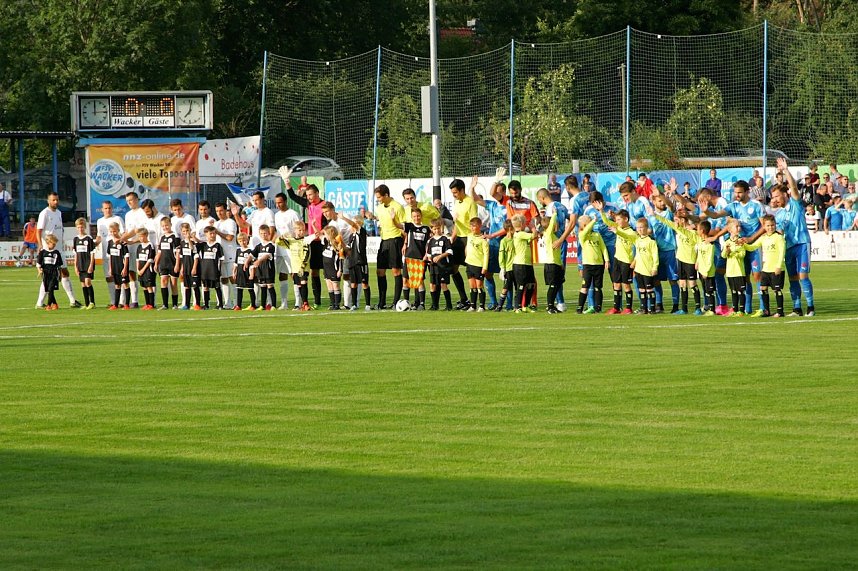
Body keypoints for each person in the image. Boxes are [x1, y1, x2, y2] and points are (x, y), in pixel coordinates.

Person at [702, 180, 766, 315]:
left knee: (757, 275)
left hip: (753, 245)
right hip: (740, 246)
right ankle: (747, 308)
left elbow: (764, 226)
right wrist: (706, 211)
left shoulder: (756, 205)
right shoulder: (733, 206)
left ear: (747, 191)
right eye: (735, 192)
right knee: (744, 277)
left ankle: (763, 307)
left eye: (739, 192)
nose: (736, 195)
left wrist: (751, 238)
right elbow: (717, 215)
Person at [771, 158, 815, 316]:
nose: (775, 199)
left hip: (802, 243)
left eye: (777, 196)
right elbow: (779, 231)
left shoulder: (795, 203)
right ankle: (797, 308)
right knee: (793, 278)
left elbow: (794, 187)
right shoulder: (779, 214)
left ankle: (810, 307)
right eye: (773, 197)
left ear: (785, 194)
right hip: (789, 247)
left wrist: (785, 170)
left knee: (803, 276)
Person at [281, 167, 327, 308]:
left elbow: (330, 223)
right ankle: (316, 301)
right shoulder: (309, 204)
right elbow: (293, 197)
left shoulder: (325, 205)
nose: (309, 197)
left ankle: (335, 299)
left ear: (317, 193)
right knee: (313, 272)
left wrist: (322, 231)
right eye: (307, 195)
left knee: (328, 273)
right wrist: (287, 181)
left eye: (311, 195)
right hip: (312, 241)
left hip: (323, 241)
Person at [470, 170, 509, 309]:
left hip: (505, 243)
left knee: (507, 275)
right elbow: (475, 199)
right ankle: (493, 301)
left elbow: (508, 228)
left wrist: (492, 235)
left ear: (503, 193)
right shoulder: (492, 205)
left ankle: (508, 303)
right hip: (493, 244)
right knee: (487, 274)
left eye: (498, 192)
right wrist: (472, 187)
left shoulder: (509, 205)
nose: (495, 194)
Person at [36, 191, 81, 308]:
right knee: (49, 276)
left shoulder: (59, 213)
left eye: (57, 200)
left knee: (64, 273)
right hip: (48, 250)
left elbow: (59, 230)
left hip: (59, 249)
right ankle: (40, 303)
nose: (55, 202)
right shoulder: (44, 213)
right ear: (48, 201)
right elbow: (39, 230)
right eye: (53, 200)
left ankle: (72, 301)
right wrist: (40, 245)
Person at [653, 208, 701, 315]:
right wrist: (655, 215)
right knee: (682, 284)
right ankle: (684, 308)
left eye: (676, 220)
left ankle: (698, 308)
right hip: (680, 260)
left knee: (692, 284)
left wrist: (698, 260)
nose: (675, 222)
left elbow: (700, 246)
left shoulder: (692, 232)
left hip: (690, 261)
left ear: (682, 220)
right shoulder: (680, 229)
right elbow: (666, 222)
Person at [505, 180, 540, 308]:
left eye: (516, 192)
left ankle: (530, 302)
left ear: (520, 190)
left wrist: (535, 228)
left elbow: (536, 219)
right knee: (512, 273)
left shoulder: (529, 203)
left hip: (525, 239)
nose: (514, 194)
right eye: (512, 192)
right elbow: (494, 194)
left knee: (529, 276)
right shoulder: (508, 201)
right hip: (512, 238)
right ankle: (516, 304)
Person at [744, 215, 786, 318]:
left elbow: (782, 252)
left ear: (775, 225)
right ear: (764, 226)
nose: (770, 228)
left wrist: (779, 266)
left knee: (777, 290)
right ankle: (766, 311)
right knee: (763, 288)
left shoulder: (779, 237)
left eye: (772, 225)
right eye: (768, 226)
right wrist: (743, 244)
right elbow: (752, 247)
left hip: (776, 268)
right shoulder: (763, 238)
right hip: (766, 268)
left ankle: (780, 312)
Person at [372, 184, 406, 309]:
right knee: (380, 271)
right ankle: (382, 302)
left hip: (395, 240)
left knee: (396, 271)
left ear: (386, 195)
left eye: (379, 197)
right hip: (384, 240)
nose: (378, 200)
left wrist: (405, 242)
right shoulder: (380, 208)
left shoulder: (397, 207)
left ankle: (396, 302)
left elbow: (404, 226)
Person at [598, 207, 635, 315]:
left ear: (626, 219)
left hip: (626, 261)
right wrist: (601, 211)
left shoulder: (631, 232)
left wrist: (617, 232)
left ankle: (628, 308)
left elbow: (626, 236)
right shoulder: (618, 227)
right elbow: (606, 221)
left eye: (619, 219)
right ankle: (616, 307)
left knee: (626, 285)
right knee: (616, 284)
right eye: (617, 220)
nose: (617, 222)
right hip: (617, 259)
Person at [449, 178, 479, 309]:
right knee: (453, 269)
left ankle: (475, 302)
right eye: (452, 193)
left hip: (468, 239)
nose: (454, 195)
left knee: (470, 270)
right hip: (458, 239)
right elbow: (457, 224)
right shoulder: (457, 203)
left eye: (455, 192)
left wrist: (470, 242)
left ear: (462, 190)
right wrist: (452, 238)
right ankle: (464, 299)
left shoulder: (470, 202)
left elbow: (474, 223)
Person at [395, 207, 431, 309]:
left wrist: (426, 254)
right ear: (411, 217)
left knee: (419, 281)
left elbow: (428, 243)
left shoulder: (426, 229)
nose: (416, 218)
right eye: (414, 216)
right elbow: (398, 225)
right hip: (409, 256)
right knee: (405, 280)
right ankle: (407, 302)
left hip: (420, 258)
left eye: (418, 216)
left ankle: (421, 304)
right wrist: (393, 219)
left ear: (421, 216)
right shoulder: (409, 226)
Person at [275, 221, 315, 311]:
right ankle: (302, 304)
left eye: (303, 230)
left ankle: (306, 303)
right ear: (295, 231)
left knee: (304, 282)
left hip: (303, 268)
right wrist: (283, 236)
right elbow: (278, 242)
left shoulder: (305, 241)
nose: (302, 232)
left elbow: (307, 254)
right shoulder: (291, 241)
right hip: (295, 268)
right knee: (299, 285)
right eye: (299, 230)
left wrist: (303, 266)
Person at [575, 215, 610, 314]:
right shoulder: (582, 235)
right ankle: (580, 308)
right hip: (587, 265)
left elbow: (603, 248)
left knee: (598, 287)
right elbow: (586, 231)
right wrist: (594, 221)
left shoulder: (597, 235)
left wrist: (606, 260)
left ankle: (598, 307)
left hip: (599, 265)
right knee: (585, 286)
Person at [720, 218, 752, 316]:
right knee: (733, 291)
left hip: (739, 271)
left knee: (740, 291)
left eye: (739, 226)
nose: (739, 228)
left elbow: (742, 254)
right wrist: (727, 251)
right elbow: (723, 255)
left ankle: (741, 311)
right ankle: (734, 310)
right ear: (729, 230)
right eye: (736, 226)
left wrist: (733, 252)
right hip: (730, 272)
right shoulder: (727, 242)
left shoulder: (741, 241)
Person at [121, 191, 147, 308]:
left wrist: (124, 238)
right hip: (131, 246)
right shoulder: (127, 215)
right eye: (127, 201)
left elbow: (138, 231)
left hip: (140, 246)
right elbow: (128, 231)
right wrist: (123, 239)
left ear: (137, 199)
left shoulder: (142, 213)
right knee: (131, 272)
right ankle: (134, 300)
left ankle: (150, 301)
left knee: (145, 273)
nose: (129, 203)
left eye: (131, 200)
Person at [340, 214, 373, 310]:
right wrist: (340, 242)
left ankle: (367, 304)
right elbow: (348, 250)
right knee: (353, 283)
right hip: (352, 262)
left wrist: (343, 218)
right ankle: (354, 304)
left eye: (353, 223)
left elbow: (355, 226)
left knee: (364, 283)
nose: (351, 225)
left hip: (361, 261)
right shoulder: (351, 237)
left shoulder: (361, 232)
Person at [630, 217, 659, 314]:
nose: (639, 229)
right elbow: (637, 254)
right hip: (639, 269)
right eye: (638, 227)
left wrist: (655, 267)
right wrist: (634, 262)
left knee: (649, 289)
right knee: (642, 290)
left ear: (646, 228)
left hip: (648, 269)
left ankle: (652, 308)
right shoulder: (637, 240)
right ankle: (644, 308)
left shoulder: (651, 241)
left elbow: (655, 256)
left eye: (641, 227)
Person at [425, 218, 454, 311]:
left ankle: (449, 305)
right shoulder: (430, 241)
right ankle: (434, 305)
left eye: (438, 228)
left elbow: (449, 251)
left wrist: (440, 256)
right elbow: (429, 254)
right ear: (431, 229)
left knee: (443, 285)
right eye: (434, 229)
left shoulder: (445, 238)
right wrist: (429, 258)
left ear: (441, 228)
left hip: (443, 266)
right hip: (434, 266)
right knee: (432, 285)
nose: (436, 230)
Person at [509, 214, 536, 313]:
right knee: (521, 285)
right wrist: (533, 228)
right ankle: (518, 306)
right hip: (520, 264)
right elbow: (534, 235)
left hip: (527, 263)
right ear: (521, 224)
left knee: (531, 285)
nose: (526, 224)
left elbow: (532, 238)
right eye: (525, 222)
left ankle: (526, 305)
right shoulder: (519, 234)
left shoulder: (522, 234)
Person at [539, 209, 564, 314]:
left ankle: (552, 306)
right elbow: (551, 225)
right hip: (551, 264)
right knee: (553, 286)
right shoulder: (548, 235)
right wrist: (554, 214)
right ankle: (550, 306)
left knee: (557, 285)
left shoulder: (551, 235)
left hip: (556, 263)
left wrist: (561, 264)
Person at [214, 202, 238, 309]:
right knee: (223, 279)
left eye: (221, 210)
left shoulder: (230, 222)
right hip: (221, 256)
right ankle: (227, 302)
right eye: (217, 211)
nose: (219, 213)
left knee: (232, 278)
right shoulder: (216, 223)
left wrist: (218, 232)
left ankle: (236, 302)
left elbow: (230, 238)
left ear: (225, 211)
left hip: (231, 254)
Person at [154, 216, 181, 310]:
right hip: (163, 264)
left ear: (170, 225)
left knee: (173, 283)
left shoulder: (175, 237)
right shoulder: (162, 237)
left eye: (167, 225)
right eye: (163, 226)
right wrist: (156, 263)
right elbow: (159, 252)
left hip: (172, 263)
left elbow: (178, 252)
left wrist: (177, 264)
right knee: (163, 281)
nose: (165, 227)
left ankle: (175, 304)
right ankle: (165, 304)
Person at [464, 217, 489, 312]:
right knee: (472, 286)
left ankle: (482, 306)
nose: (472, 228)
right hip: (469, 264)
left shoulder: (483, 240)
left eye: (474, 226)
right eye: (471, 226)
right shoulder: (469, 236)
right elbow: (467, 247)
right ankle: (473, 305)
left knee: (479, 286)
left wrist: (484, 268)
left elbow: (486, 255)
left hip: (478, 265)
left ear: (479, 226)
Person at [197, 226, 225, 310]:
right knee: (205, 287)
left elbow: (221, 259)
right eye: (211, 233)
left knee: (217, 287)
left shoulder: (217, 245)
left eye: (214, 233)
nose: (213, 235)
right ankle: (206, 304)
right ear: (206, 234)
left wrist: (220, 270)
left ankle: (220, 304)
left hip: (214, 270)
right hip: (205, 271)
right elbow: (194, 246)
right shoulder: (203, 245)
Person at [72, 217, 97, 309]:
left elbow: (92, 253)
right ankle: (86, 304)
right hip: (80, 264)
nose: (80, 229)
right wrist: (75, 266)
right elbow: (75, 254)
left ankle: (92, 302)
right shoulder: (75, 239)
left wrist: (91, 265)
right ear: (76, 228)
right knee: (83, 283)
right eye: (78, 227)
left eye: (82, 227)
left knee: (87, 282)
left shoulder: (88, 238)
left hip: (87, 263)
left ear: (84, 227)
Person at [252, 224, 277, 310]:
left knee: (270, 286)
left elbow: (267, 255)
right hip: (260, 270)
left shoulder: (271, 245)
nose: (263, 235)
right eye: (262, 233)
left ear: (269, 233)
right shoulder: (259, 246)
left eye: (265, 233)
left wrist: (258, 261)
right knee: (262, 286)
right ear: (259, 234)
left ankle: (273, 305)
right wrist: (246, 261)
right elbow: (252, 254)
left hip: (268, 269)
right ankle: (262, 305)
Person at [105, 222, 130, 310]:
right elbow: (110, 256)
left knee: (125, 284)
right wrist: (110, 268)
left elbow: (126, 256)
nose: (113, 233)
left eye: (114, 231)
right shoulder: (110, 242)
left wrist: (125, 268)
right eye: (111, 232)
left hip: (122, 267)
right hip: (114, 267)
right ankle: (115, 304)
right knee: (117, 285)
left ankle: (127, 304)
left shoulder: (122, 242)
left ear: (118, 231)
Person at [695, 221, 717, 315]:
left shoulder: (710, 245)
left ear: (702, 230)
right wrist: (697, 263)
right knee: (705, 290)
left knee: (710, 291)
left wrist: (706, 271)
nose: (696, 231)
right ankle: (708, 307)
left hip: (708, 272)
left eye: (698, 229)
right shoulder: (701, 243)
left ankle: (712, 309)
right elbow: (700, 255)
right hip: (701, 270)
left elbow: (710, 259)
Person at [320, 225, 345, 310]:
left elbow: (341, 258)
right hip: (326, 269)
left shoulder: (337, 244)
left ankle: (337, 304)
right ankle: (332, 303)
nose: (325, 236)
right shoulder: (326, 242)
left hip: (334, 269)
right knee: (329, 286)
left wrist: (340, 270)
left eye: (326, 234)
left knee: (336, 286)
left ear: (330, 234)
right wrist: (313, 225)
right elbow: (319, 235)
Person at [177, 223, 200, 310]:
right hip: (186, 267)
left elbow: (195, 254)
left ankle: (197, 304)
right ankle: (186, 304)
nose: (185, 233)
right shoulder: (182, 242)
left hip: (193, 267)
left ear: (190, 231)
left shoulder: (193, 241)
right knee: (187, 286)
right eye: (184, 231)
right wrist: (182, 268)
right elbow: (182, 256)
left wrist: (194, 267)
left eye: (187, 231)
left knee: (195, 286)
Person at [36, 234, 62, 310]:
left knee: (50, 289)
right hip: (46, 273)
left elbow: (59, 265)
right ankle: (55, 304)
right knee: (48, 290)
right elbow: (38, 264)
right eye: (53, 244)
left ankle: (48, 305)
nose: (54, 245)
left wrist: (60, 275)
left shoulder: (56, 252)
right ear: (48, 243)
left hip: (54, 273)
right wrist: (39, 270)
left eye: (55, 244)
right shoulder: (43, 252)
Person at [232, 232, 257, 310]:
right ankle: (238, 305)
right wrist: (234, 272)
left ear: (247, 240)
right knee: (239, 289)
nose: (242, 242)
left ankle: (253, 305)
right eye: (240, 241)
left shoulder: (250, 251)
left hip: (247, 273)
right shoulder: (238, 251)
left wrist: (252, 274)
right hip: (240, 273)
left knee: (250, 289)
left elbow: (252, 264)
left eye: (244, 240)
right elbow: (236, 263)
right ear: (238, 241)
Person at [495, 219, 515, 311]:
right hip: (508, 268)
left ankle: (518, 305)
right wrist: (502, 267)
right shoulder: (504, 241)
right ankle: (500, 305)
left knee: (519, 286)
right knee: (506, 287)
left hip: (517, 266)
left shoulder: (517, 238)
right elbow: (501, 255)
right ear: (510, 228)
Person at [135, 227, 156, 309]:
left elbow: (150, 259)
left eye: (142, 236)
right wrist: (138, 269)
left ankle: (151, 304)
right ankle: (147, 304)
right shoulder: (139, 246)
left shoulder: (150, 245)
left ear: (146, 235)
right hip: (140, 270)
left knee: (149, 286)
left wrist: (143, 269)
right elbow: (137, 259)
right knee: (144, 286)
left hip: (148, 269)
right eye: (139, 236)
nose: (140, 238)